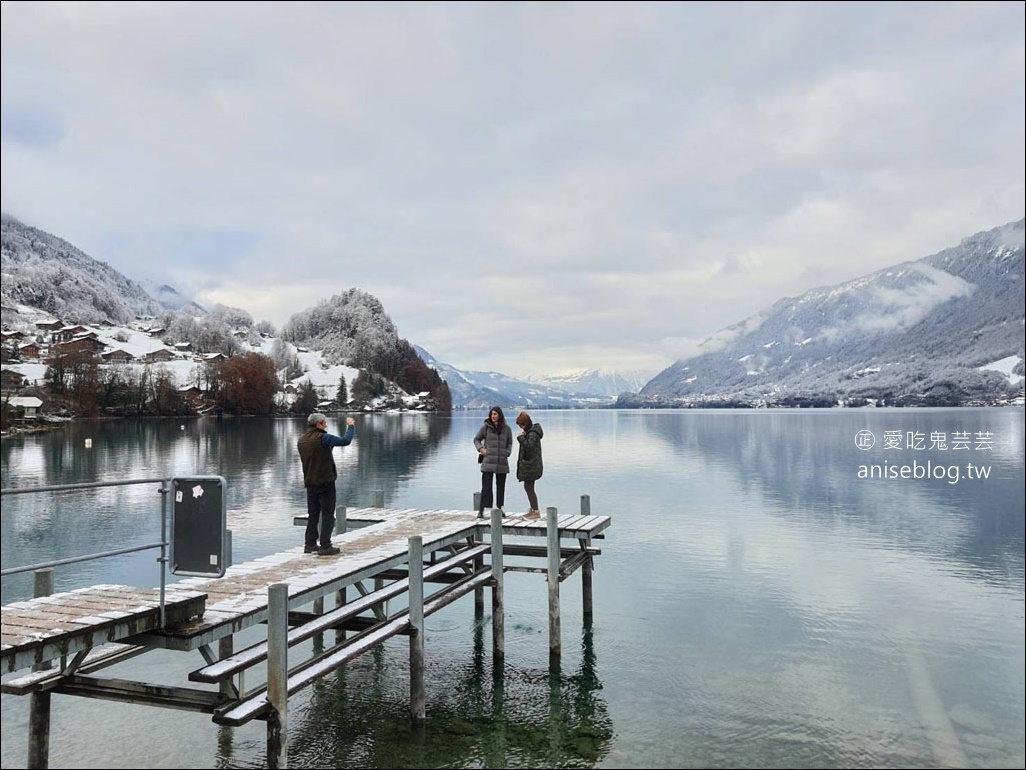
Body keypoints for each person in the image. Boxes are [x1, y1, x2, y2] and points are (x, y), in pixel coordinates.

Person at [297, 413, 356, 555]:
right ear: (318, 425)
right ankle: (325, 545)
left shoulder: (301, 440)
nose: (326, 425)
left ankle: (310, 544)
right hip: (325, 482)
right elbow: (345, 441)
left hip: (310, 482)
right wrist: (351, 426)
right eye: (324, 423)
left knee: (313, 514)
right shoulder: (324, 438)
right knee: (328, 514)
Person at [473, 406, 513, 518]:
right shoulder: (486, 428)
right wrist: (481, 449)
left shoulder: (507, 429)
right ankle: (481, 511)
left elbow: (510, 442)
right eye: (491, 414)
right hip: (488, 461)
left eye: (495, 414)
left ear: (500, 415)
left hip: (502, 461)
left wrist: (508, 452)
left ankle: (500, 509)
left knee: (501, 487)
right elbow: (476, 439)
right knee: (486, 487)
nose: (493, 416)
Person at [515, 411, 544, 519]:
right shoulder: (531, 432)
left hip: (532, 466)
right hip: (531, 465)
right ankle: (533, 509)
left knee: (529, 487)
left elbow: (529, 447)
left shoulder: (532, 434)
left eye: (521, 425)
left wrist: (521, 438)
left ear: (525, 424)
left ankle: (535, 511)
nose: (521, 428)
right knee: (528, 487)